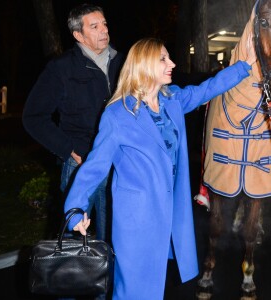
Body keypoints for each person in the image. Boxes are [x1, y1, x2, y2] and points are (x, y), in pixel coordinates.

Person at [63, 37, 256, 299]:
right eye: (163, 59)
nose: (172, 63)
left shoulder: (172, 101)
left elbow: (207, 88)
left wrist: (244, 66)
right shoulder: (118, 115)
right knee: (132, 291)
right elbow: (94, 168)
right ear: (143, 65)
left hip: (168, 214)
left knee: (154, 287)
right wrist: (75, 211)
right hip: (136, 221)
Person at [22, 3, 124, 243]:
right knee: (75, 239)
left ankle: (110, 280)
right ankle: (74, 280)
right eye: (95, 26)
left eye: (105, 23)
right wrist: (69, 149)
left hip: (117, 162)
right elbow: (33, 117)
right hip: (81, 165)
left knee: (114, 236)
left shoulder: (123, 63)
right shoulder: (61, 68)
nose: (104, 30)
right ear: (78, 34)